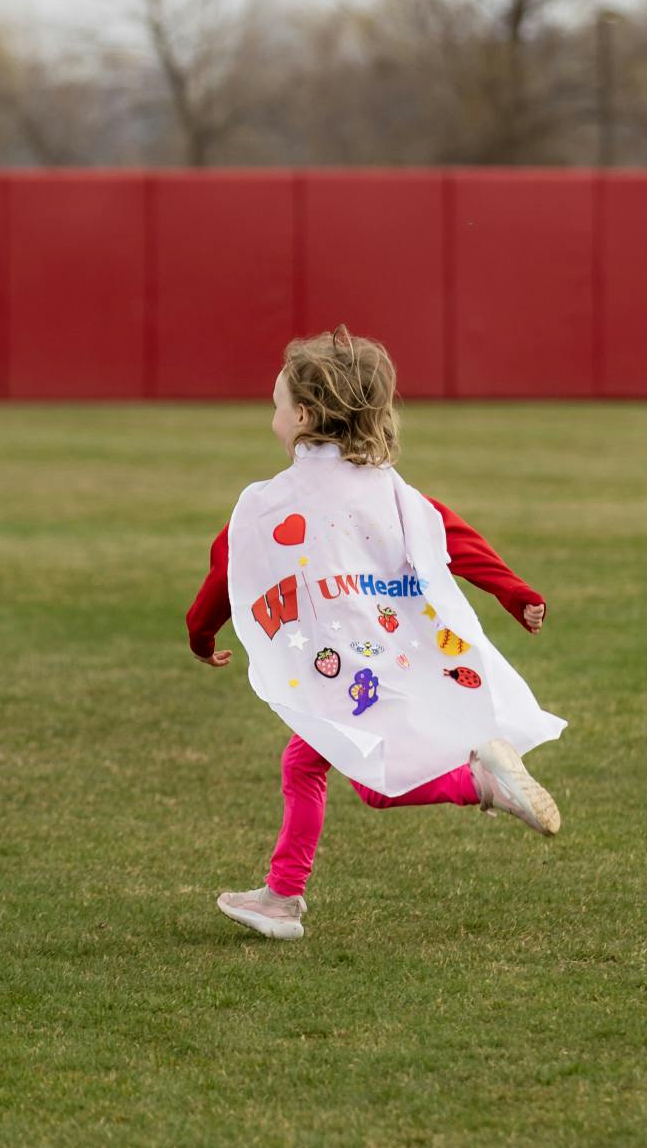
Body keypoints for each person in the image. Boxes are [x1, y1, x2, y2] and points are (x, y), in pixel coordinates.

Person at [185, 326, 563, 941]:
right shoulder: (389, 487)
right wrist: (514, 592)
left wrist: (200, 635)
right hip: (393, 653)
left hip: (342, 670)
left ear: (303, 416)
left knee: (375, 786)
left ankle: (480, 783)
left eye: (277, 405)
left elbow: (228, 570)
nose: (273, 416)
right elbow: (452, 538)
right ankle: (281, 897)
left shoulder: (269, 503)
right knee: (304, 762)